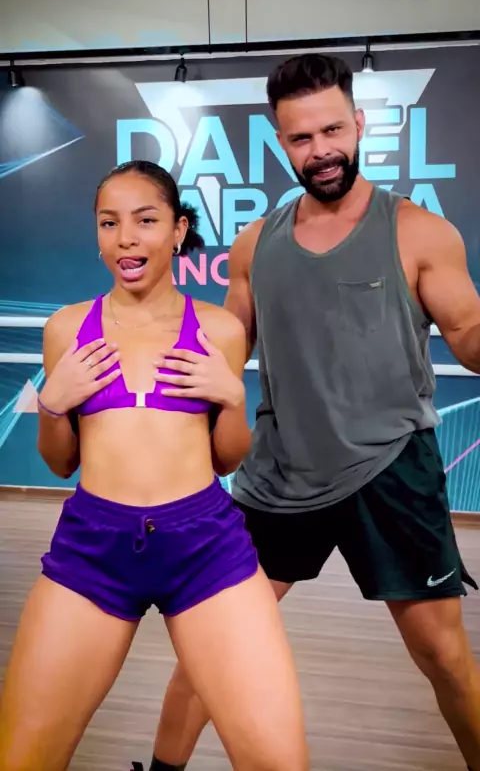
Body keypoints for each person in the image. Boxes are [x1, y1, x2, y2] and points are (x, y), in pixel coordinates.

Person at [150, 55, 480, 771]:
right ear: (281, 143)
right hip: (280, 476)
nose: (320, 150)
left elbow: (470, 338)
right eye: (301, 138)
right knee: (216, 644)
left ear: (358, 125)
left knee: (444, 657)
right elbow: (224, 350)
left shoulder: (419, 233)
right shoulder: (254, 246)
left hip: (391, 471)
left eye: (332, 130)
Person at [0, 160, 309, 771]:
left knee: (279, 762)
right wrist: (53, 405)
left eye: (145, 221)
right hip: (93, 549)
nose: (126, 239)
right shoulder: (67, 328)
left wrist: (232, 398)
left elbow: (227, 456)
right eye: (109, 223)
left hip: (206, 548)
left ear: (177, 229)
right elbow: (60, 463)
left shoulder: (219, 329)